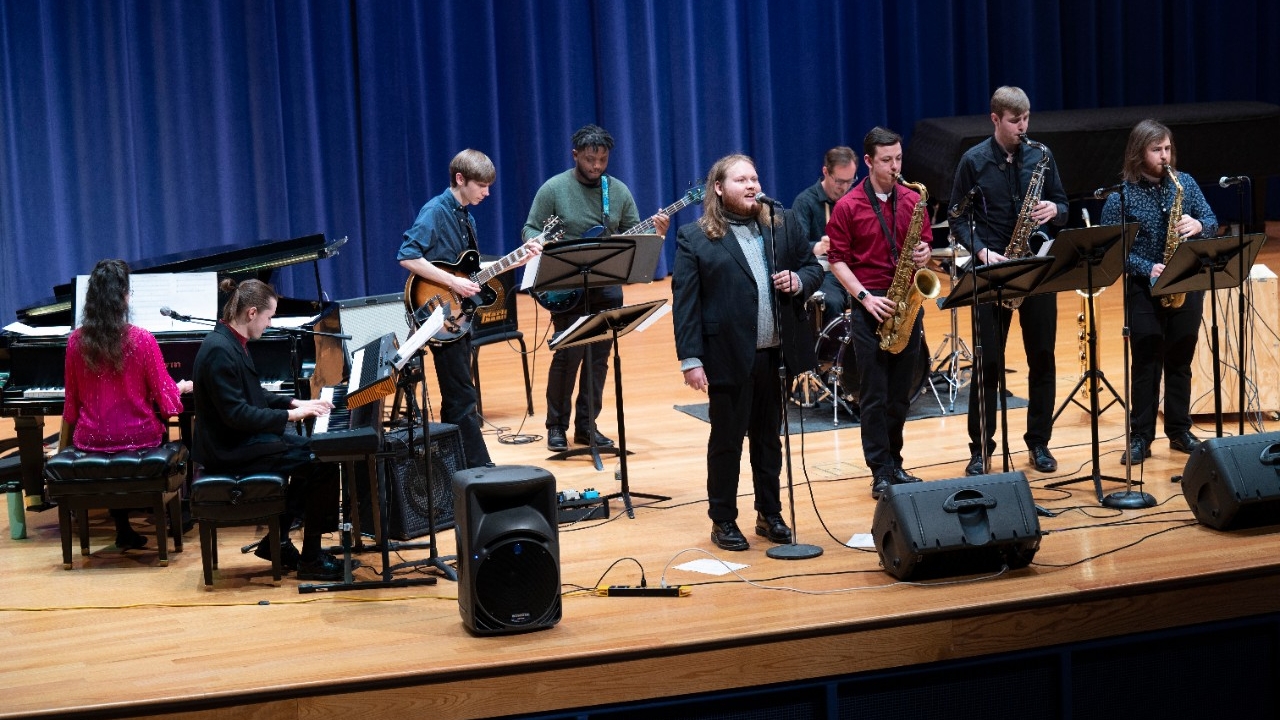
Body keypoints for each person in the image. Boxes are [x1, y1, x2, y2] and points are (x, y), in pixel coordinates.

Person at [673, 154, 823, 551]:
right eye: (741, 180)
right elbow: (685, 303)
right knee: (727, 441)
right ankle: (722, 519)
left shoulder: (781, 223)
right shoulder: (695, 237)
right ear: (719, 188)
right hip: (726, 354)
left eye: (754, 178)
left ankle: (769, 513)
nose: (752, 185)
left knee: (768, 439)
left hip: (776, 354)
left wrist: (799, 280)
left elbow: (813, 267)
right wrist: (691, 359)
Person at [523, 124, 668, 452]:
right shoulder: (553, 189)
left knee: (599, 358)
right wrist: (538, 242)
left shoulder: (617, 191)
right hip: (568, 287)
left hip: (606, 287)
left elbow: (633, 237)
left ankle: (587, 427)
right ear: (575, 155)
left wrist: (657, 232)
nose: (597, 166)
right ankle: (556, 426)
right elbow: (530, 228)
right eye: (590, 159)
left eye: (603, 160)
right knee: (567, 356)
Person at [948, 86, 1068, 477]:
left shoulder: (1041, 154)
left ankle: (1040, 443)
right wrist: (982, 251)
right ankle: (981, 448)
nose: (1023, 127)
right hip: (993, 270)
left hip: (1035, 269)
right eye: (1015, 120)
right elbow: (956, 217)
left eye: (1027, 118)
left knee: (1043, 358)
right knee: (988, 363)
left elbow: (1064, 205)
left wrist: (1054, 209)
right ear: (995, 119)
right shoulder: (973, 160)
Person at [191, 278, 343, 581]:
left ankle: (278, 541)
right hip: (229, 449)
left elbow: (252, 394)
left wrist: (292, 402)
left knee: (313, 454)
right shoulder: (220, 350)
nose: (270, 323)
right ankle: (311, 559)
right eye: (269, 316)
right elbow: (237, 414)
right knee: (321, 459)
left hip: (236, 440)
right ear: (251, 313)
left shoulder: (230, 341)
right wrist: (290, 416)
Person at [399, 149, 541, 468]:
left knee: (459, 395)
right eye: (482, 186)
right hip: (438, 312)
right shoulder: (435, 211)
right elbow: (407, 255)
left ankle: (457, 469)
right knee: (462, 396)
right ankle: (478, 468)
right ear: (460, 179)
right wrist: (452, 281)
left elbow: (471, 273)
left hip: (458, 316)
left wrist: (516, 260)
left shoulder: (466, 216)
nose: (487, 193)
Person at [1101, 118, 1217, 464]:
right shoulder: (1120, 197)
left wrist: (1199, 224)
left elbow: (1211, 222)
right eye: (1157, 149)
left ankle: (1179, 430)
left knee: (1180, 360)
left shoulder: (1185, 184)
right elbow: (1112, 252)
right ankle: (1141, 436)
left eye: (1167, 148)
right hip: (1144, 288)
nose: (1165, 156)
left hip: (1185, 283)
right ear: (1139, 153)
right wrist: (1145, 267)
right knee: (1146, 363)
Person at [825, 127, 933, 499]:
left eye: (898, 158)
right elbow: (836, 260)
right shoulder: (848, 205)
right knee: (874, 394)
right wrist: (865, 297)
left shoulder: (913, 199)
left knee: (901, 393)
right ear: (869, 161)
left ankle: (896, 462)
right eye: (887, 160)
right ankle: (880, 470)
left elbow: (924, 246)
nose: (895, 167)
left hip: (906, 304)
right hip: (870, 305)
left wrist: (923, 253)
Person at [62, 259, 192, 550]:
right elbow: (168, 403)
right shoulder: (143, 340)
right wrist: (181, 387)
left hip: (90, 440)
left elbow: (70, 408)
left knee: (109, 434)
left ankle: (123, 528)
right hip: (140, 438)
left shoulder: (75, 342)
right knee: (157, 433)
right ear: (123, 297)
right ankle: (169, 513)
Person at [791, 146, 859, 323]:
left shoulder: (856, 199)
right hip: (824, 272)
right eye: (840, 181)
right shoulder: (805, 202)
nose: (845, 188)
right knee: (832, 302)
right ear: (826, 172)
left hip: (855, 269)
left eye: (850, 181)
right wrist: (819, 247)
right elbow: (796, 249)